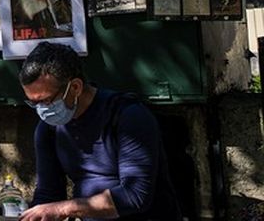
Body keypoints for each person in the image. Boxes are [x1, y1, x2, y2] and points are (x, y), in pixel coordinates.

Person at [19, 42, 180, 221]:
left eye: (47, 101)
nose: (42, 109)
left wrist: (64, 209)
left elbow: (135, 195)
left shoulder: (129, 116)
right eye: (34, 103)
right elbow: (48, 195)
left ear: (75, 87)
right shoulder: (48, 129)